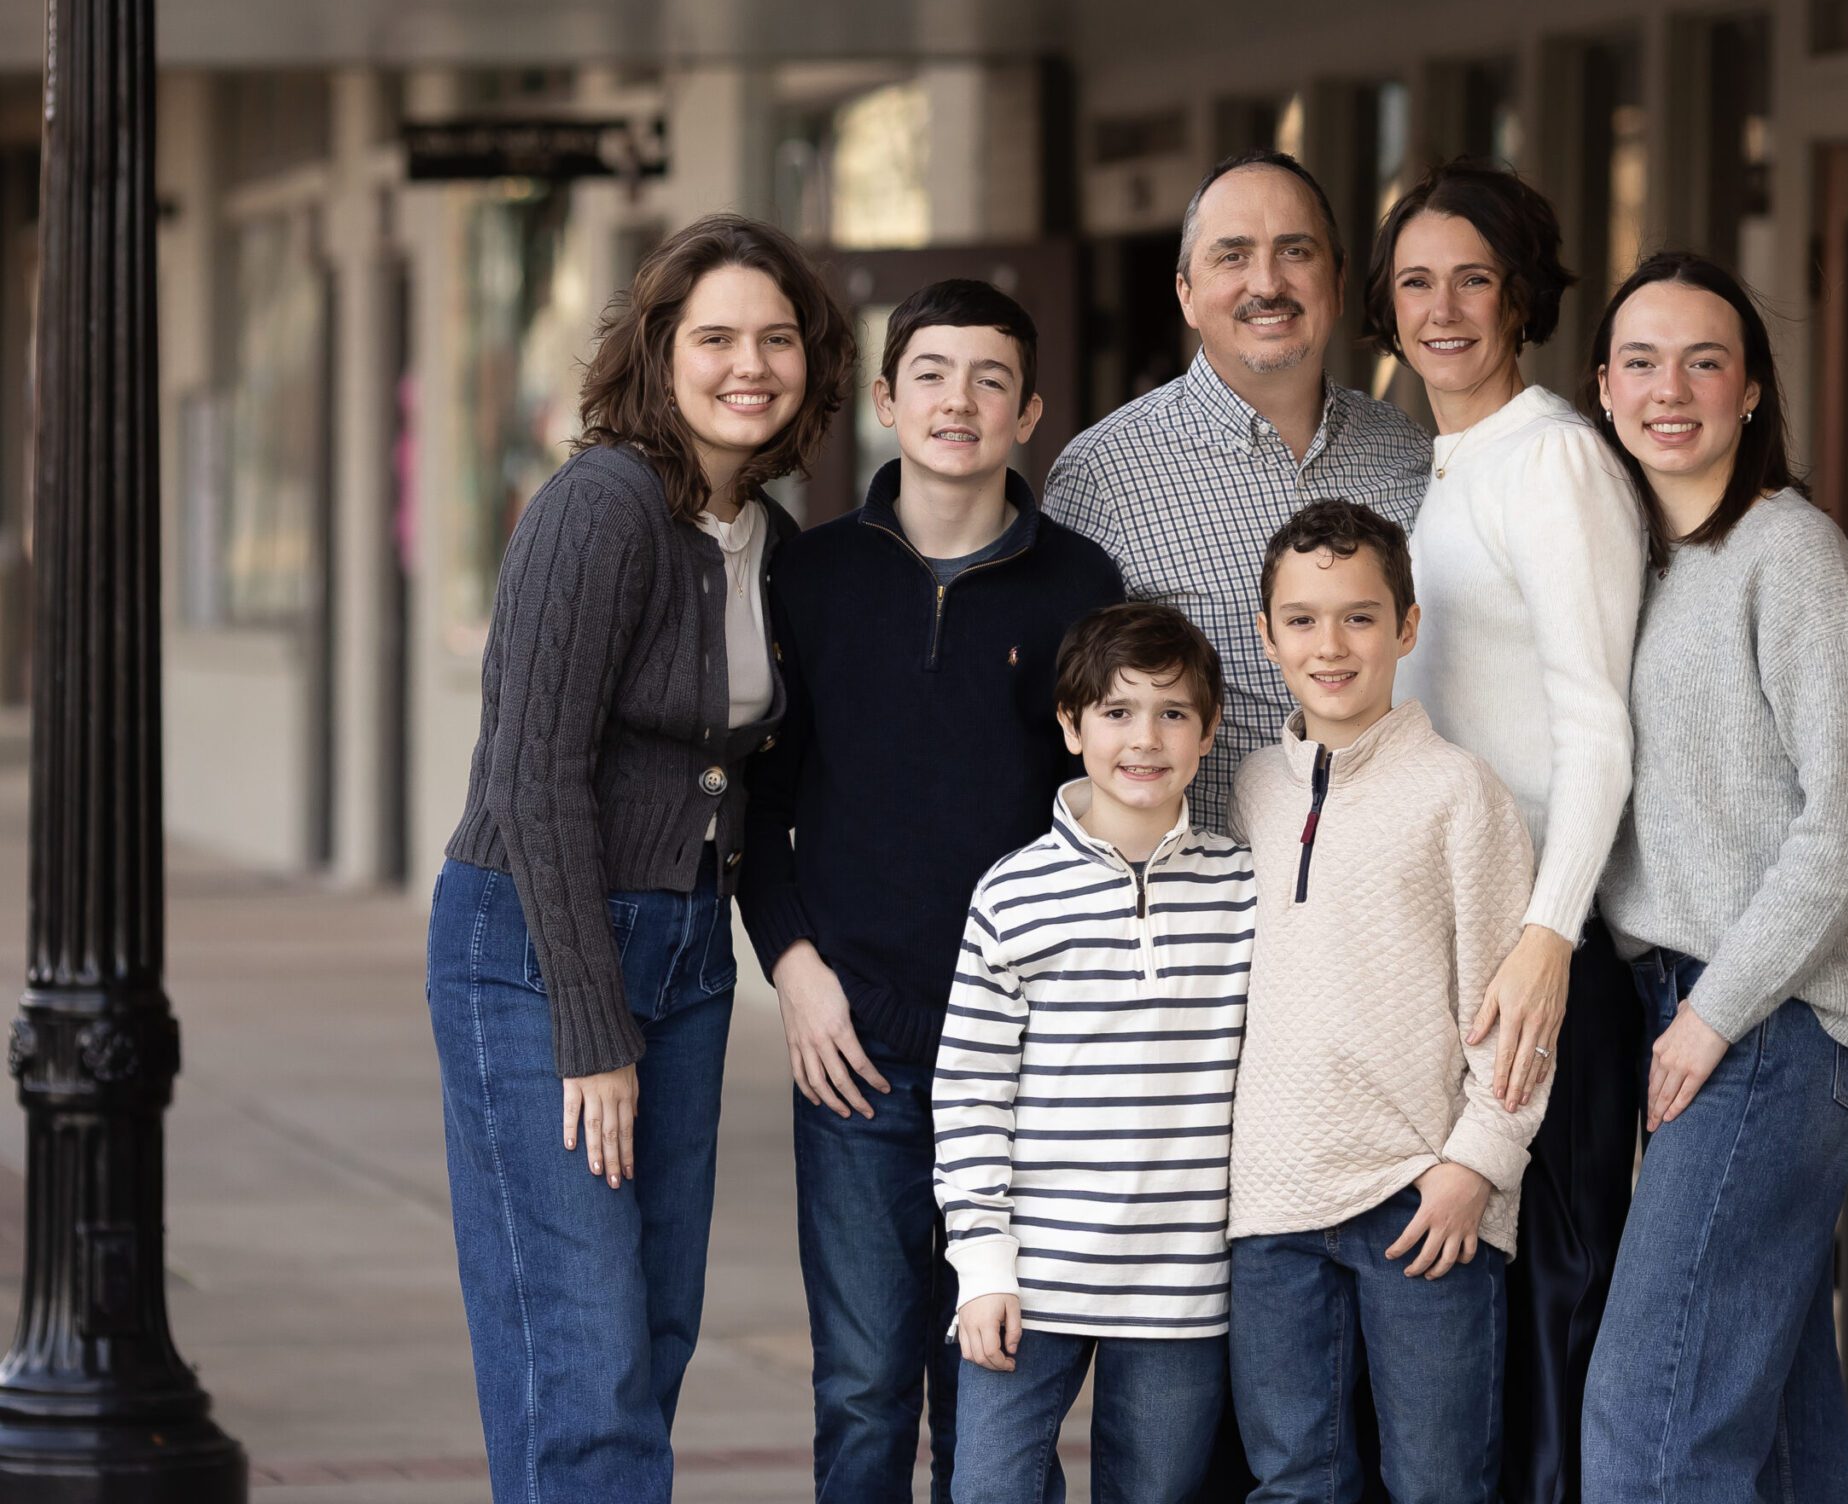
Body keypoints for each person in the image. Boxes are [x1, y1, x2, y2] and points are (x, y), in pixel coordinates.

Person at [426, 212, 854, 1504]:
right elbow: (532, 777)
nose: (749, 364)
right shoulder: (599, 507)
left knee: (646, 1344)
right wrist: (590, 1026)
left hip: (686, 952)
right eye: (716, 335)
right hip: (541, 950)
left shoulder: (766, 540)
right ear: (658, 352)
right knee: (588, 1362)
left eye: (776, 338)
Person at [737, 278, 1124, 1504]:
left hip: (1023, 1057)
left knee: (993, 1392)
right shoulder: (811, 579)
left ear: (1030, 413)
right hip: (857, 1050)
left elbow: (1103, 805)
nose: (960, 400)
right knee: (859, 1386)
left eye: (992, 379)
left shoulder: (1079, 584)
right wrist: (796, 970)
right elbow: (757, 807)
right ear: (891, 398)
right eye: (935, 374)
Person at [1576, 253, 1848, 1502]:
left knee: (1649, 1414)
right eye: (1643, 362)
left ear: (1752, 389)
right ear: (1603, 388)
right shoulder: (1640, 563)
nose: (1673, 389)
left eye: (1705, 361)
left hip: (1769, 1014)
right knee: (1767, 1413)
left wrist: (1715, 1010)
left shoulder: (1791, 555)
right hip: (1686, 1001)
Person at [1370, 159, 1647, 1501]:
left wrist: (1550, 936)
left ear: (1521, 294)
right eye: (1416, 281)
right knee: (1475, 1305)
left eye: (1471, 278)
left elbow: (1600, 726)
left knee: (1557, 1297)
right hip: (1461, 949)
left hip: (1547, 962)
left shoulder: (1555, 460)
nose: (1442, 308)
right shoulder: (1440, 463)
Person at [1225, 499, 1549, 1504]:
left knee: (1438, 1484)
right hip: (1268, 1210)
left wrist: (1477, 1166)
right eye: (1305, 618)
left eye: (1360, 616)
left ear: (1407, 627)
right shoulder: (1247, 790)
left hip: (1423, 1201)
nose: (1332, 644)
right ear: (1267, 633)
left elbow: (1517, 1016)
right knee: (1292, 1482)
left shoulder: (1461, 792)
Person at [933, 601, 1254, 1504]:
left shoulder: (1243, 886)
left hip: (1183, 1287)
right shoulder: (1014, 892)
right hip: (1032, 1274)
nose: (1144, 739)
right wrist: (982, 1262)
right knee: (989, 1490)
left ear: (1209, 729)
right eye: (1116, 712)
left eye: (1173, 712)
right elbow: (968, 1091)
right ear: (1072, 727)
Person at [1044, 149, 1433, 832]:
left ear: (1338, 284)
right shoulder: (1103, 474)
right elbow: (1070, 725)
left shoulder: (1407, 452)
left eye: (1295, 252)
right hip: (1203, 912)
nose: (1267, 282)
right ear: (1186, 294)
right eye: (1232, 256)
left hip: (1391, 886)